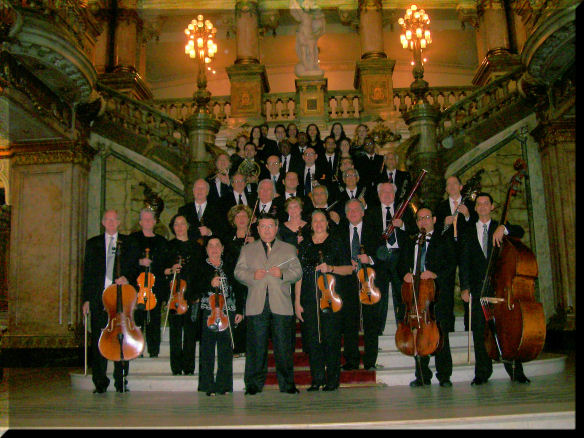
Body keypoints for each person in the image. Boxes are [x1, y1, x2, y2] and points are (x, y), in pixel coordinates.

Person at [459, 192, 530, 385]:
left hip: (500, 289)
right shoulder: (467, 231)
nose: (482, 206)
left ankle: (515, 371)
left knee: (507, 330)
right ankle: (482, 373)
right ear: (475, 208)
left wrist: (504, 228)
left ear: (492, 207)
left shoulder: (501, 227)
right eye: (479, 204)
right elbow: (464, 261)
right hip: (478, 289)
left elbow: (520, 232)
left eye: (486, 203)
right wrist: (464, 287)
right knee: (480, 332)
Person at [234, 213, 303, 394]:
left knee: (283, 347)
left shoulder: (288, 248)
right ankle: (253, 385)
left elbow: (297, 272)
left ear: (276, 228)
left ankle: (287, 385)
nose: (266, 230)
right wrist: (251, 276)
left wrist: (282, 274)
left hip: (281, 304)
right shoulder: (247, 249)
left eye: (270, 226)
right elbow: (238, 272)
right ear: (257, 229)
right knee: (256, 347)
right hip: (256, 304)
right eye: (263, 226)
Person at [295, 209, 353, 390]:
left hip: (331, 298)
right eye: (315, 221)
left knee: (331, 339)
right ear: (310, 225)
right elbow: (299, 276)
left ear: (327, 223)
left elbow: (349, 269)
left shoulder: (336, 242)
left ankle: (333, 380)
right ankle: (317, 379)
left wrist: (331, 268)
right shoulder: (304, 245)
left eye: (322, 220)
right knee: (313, 340)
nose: (318, 224)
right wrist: (297, 302)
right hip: (309, 298)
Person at [398, 206, 456, 387]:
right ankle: (422, 376)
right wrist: (404, 274)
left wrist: (435, 274)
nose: (423, 221)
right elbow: (400, 265)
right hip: (416, 297)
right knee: (418, 335)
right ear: (416, 223)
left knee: (440, 336)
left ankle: (444, 375)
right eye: (420, 218)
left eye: (427, 217)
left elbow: (451, 264)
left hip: (436, 296)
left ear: (434, 220)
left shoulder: (443, 240)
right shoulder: (410, 241)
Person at [82, 209, 138, 393]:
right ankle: (100, 382)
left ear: (119, 222)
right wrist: (86, 299)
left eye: (115, 219)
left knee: (121, 338)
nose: (112, 222)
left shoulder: (128, 242)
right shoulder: (93, 244)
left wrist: (127, 278)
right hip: (99, 298)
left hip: (120, 298)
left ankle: (121, 381)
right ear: (103, 222)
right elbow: (87, 274)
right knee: (100, 339)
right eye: (108, 219)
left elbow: (135, 268)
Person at [365, 182, 417, 337]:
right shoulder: (371, 212)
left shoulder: (405, 211)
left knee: (402, 295)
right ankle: (378, 331)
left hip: (400, 259)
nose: (387, 194)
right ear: (379, 194)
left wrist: (402, 225)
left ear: (394, 195)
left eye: (390, 192)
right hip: (381, 258)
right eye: (383, 192)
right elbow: (368, 238)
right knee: (379, 297)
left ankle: (404, 329)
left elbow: (414, 230)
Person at [197, 236, 245, 396]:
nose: (214, 248)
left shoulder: (230, 266)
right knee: (207, 350)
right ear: (206, 249)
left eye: (218, 245)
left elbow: (239, 288)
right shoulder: (201, 266)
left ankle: (224, 385)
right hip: (208, 312)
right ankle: (207, 385)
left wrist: (239, 310)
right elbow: (193, 288)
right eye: (211, 245)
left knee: (226, 349)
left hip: (228, 311)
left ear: (223, 248)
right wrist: (208, 283)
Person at [337, 199, 379, 370]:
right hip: (348, 282)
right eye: (349, 210)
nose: (353, 213)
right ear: (346, 214)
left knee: (370, 321)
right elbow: (336, 255)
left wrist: (369, 258)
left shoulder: (374, 230)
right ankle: (352, 360)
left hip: (369, 281)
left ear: (362, 212)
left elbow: (382, 252)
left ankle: (370, 361)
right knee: (349, 322)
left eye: (356, 210)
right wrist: (347, 263)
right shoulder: (338, 232)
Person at [434, 175, 478, 331]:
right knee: (446, 288)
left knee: (467, 285)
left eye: (454, 183)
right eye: (448, 184)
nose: (451, 186)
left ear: (461, 187)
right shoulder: (441, 207)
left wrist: (467, 215)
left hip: (466, 250)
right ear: (446, 189)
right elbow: (435, 232)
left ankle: (469, 325)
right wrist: (442, 224)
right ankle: (448, 326)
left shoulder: (471, 205)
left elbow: (477, 226)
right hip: (447, 251)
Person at [163, 214, 202, 376]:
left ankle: (189, 366)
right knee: (175, 332)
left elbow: (201, 271)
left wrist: (198, 293)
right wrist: (171, 269)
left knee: (190, 333)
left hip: (191, 294)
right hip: (174, 295)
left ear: (188, 226)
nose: (180, 227)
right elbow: (162, 270)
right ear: (173, 227)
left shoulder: (197, 247)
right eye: (176, 224)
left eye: (182, 223)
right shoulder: (168, 246)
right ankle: (176, 367)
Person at [129, 208, 168, 358]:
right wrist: (140, 262)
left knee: (154, 319)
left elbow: (163, 265)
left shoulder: (161, 241)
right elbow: (128, 262)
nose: (148, 222)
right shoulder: (132, 240)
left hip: (155, 287)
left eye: (150, 219)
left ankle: (154, 350)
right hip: (137, 287)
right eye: (144, 219)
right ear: (140, 222)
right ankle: (136, 349)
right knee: (137, 319)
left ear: (155, 222)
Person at [224, 204, 255, 356]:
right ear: (233, 220)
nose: (241, 219)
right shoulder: (228, 239)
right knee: (237, 312)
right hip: (234, 281)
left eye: (244, 216)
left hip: (252, 282)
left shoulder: (256, 238)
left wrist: (255, 245)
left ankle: (250, 348)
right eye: (238, 216)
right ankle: (237, 347)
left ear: (249, 219)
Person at [177, 179, 222, 244]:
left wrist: (209, 232)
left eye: (202, 188)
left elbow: (222, 230)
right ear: (193, 191)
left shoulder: (217, 210)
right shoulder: (184, 210)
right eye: (197, 188)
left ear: (207, 192)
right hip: (189, 247)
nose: (199, 191)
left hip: (210, 248)